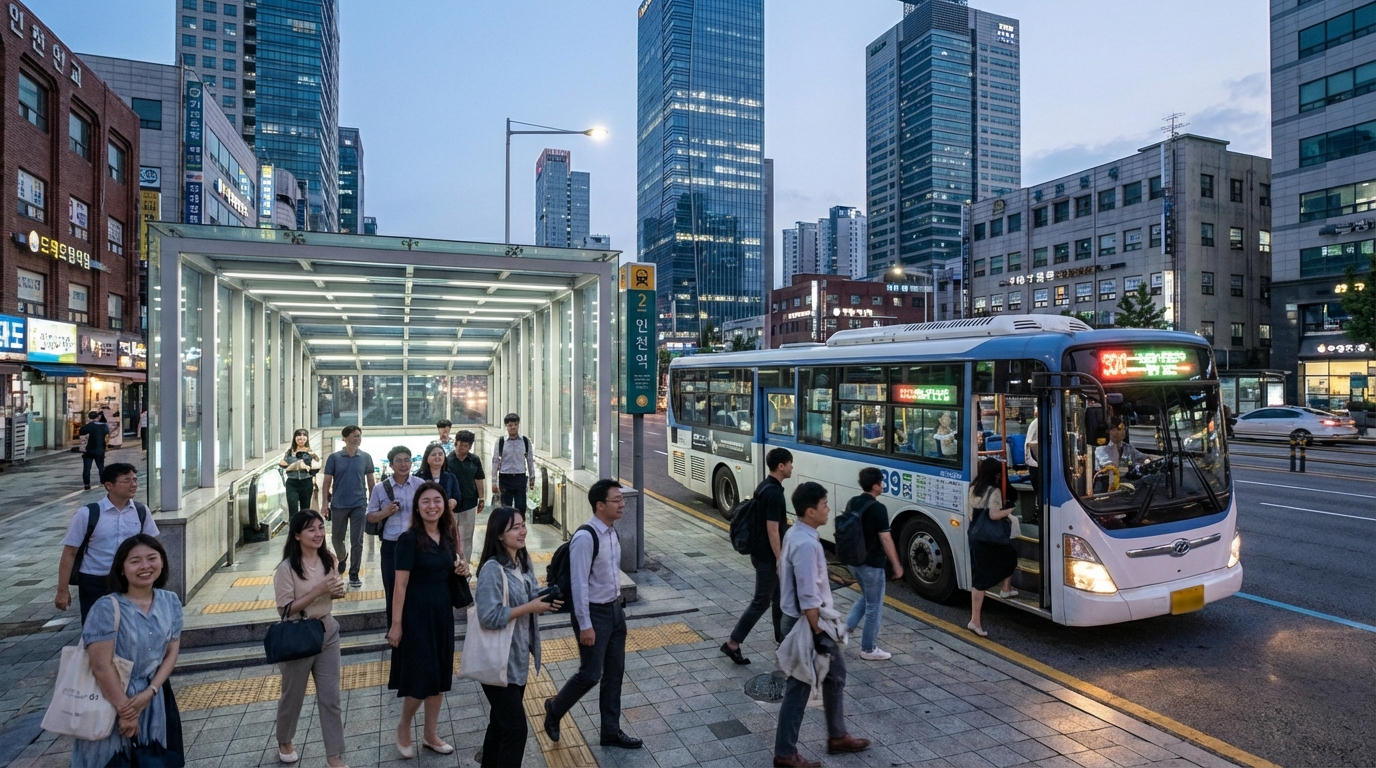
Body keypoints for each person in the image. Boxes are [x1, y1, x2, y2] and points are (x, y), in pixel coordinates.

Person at [774, 482, 869, 767]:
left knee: (835, 675)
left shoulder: (799, 533)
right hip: (808, 622)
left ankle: (837, 736)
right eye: (824, 504)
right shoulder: (804, 543)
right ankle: (785, 753)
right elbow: (807, 594)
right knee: (800, 686)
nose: (828, 508)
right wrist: (817, 633)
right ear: (810, 510)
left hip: (809, 619)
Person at [543, 480, 642, 750]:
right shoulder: (586, 537)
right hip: (594, 614)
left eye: (622, 499)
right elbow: (578, 585)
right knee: (589, 674)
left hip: (614, 610)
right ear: (600, 505)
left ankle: (610, 731)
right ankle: (554, 710)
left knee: (614, 674)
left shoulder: (611, 532)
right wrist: (585, 625)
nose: (623, 504)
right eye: (617, 500)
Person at [75, 534, 183, 768]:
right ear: (122, 569)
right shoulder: (106, 608)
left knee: (154, 760)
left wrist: (151, 691)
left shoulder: (170, 601)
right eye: (135, 561)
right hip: (111, 700)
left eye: (152, 558)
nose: (145, 566)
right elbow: (101, 666)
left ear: (162, 562)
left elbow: (171, 652)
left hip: (155, 700)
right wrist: (126, 712)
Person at [474, 506, 562, 767]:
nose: (523, 531)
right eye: (515, 527)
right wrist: (530, 607)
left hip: (517, 659)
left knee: (499, 725)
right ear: (499, 534)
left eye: (523, 525)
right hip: (497, 661)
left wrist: (544, 598)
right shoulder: (492, 569)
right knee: (516, 731)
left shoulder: (522, 561)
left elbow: (529, 593)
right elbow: (488, 616)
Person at [386, 481, 467, 759]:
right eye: (426, 502)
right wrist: (396, 625)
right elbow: (400, 585)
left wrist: (462, 568)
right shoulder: (408, 540)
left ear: (444, 505)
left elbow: (454, 568)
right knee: (422, 677)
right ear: (417, 508)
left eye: (437, 501)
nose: (432, 506)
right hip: (416, 616)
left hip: (442, 614)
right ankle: (404, 726)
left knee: (441, 676)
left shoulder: (447, 536)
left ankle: (430, 735)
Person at [273, 510, 348, 767]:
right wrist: (320, 590)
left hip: (327, 631)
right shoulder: (286, 569)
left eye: (320, 528)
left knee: (331, 697)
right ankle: (284, 738)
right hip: (299, 636)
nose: (318, 534)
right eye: (311, 529)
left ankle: (334, 755)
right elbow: (285, 609)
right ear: (296, 535)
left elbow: (333, 592)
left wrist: (336, 592)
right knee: (293, 695)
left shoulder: (329, 559)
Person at [56, 463, 158, 622]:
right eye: (127, 480)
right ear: (109, 485)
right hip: (95, 581)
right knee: (96, 628)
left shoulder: (141, 511)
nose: (134, 484)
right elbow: (70, 552)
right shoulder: (87, 514)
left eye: (135, 480)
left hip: (129, 580)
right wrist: (62, 590)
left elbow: (153, 547)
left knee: (131, 627)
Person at [720, 447, 792, 665]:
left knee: (779, 599)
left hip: (761, 552)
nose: (791, 467)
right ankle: (733, 643)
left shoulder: (766, 485)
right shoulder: (774, 493)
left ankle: (783, 641)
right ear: (781, 466)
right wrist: (779, 558)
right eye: (790, 463)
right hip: (767, 556)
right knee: (761, 601)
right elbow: (772, 528)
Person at [843, 468, 904, 661]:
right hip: (871, 563)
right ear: (876, 485)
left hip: (854, 561)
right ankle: (868, 648)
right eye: (882, 482)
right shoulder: (878, 509)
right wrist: (896, 564)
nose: (883, 485)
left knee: (868, 597)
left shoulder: (853, 502)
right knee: (874, 606)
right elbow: (885, 539)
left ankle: (844, 629)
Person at [367, 446, 425, 621]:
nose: (403, 464)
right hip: (391, 545)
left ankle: (414, 625)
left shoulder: (420, 484)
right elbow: (370, 517)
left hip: (416, 543)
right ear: (391, 465)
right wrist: (385, 512)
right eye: (398, 461)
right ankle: (394, 627)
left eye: (407, 460)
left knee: (416, 587)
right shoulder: (380, 488)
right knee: (393, 588)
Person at [967, 457, 1018, 638]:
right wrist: (1009, 510)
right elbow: (994, 515)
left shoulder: (973, 487)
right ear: (995, 474)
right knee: (1010, 557)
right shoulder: (994, 491)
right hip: (990, 539)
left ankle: (976, 618)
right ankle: (976, 620)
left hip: (975, 536)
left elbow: (971, 514)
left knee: (979, 577)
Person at [320, 426, 376, 589]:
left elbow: (371, 482)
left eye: (359, 436)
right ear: (344, 438)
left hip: (359, 503)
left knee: (357, 540)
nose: (357, 438)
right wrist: (325, 503)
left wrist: (373, 503)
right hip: (339, 504)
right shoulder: (334, 458)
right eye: (354, 436)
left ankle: (354, 573)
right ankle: (342, 557)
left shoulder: (365, 457)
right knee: (337, 538)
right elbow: (326, 483)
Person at [445, 429, 486, 562]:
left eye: (466, 445)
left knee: (467, 536)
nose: (462, 447)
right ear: (455, 443)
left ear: (470, 446)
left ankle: (465, 563)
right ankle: (451, 562)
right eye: (460, 444)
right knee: (450, 535)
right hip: (451, 504)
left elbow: (478, 479)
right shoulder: (447, 461)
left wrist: (482, 498)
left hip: (470, 503)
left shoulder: (474, 460)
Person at [490, 413, 535, 512]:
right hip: (505, 477)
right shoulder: (501, 441)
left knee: (521, 506)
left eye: (515, 424)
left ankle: (520, 525)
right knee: (506, 507)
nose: (513, 427)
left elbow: (530, 460)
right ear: (506, 426)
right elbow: (495, 461)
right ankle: (507, 526)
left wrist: (532, 479)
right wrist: (494, 482)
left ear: (518, 425)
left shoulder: (525, 441)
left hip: (520, 477)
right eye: (510, 425)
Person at [280, 429, 322, 516]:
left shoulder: (310, 451)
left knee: (305, 510)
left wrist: (310, 459)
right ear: (295, 438)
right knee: (293, 509)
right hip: (292, 482)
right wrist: (291, 465)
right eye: (299, 436)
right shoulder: (289, 451)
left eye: (304, 436)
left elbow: (317, 463)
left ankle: (304, 528)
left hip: (306, 481)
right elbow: (283, 463)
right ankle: (294, 528)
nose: (302, 438)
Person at [415, 442, 462, 515]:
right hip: (425, 516)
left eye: (440, 454)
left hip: (446, 516)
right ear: (427, 458)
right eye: (433, 455)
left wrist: (453, 502)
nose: (437, 457)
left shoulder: (450, 477)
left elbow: (457, 497)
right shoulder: (418, 477)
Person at [79, 410, 110, 491]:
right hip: (100, 450)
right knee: (101, 467)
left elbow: (81, 437)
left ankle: (87, 484)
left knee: (86, 469)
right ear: (97, 417)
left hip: (88, 450)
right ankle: (103, 482)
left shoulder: (86, 427)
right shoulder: (104, 426)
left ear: (88, 417)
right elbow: (107, 436)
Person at [1025, 408, 1042, 523]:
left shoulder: (1037, 422)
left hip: (1035, 462)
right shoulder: (1038, 423)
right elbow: (1031, 444)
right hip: (1036, 463)